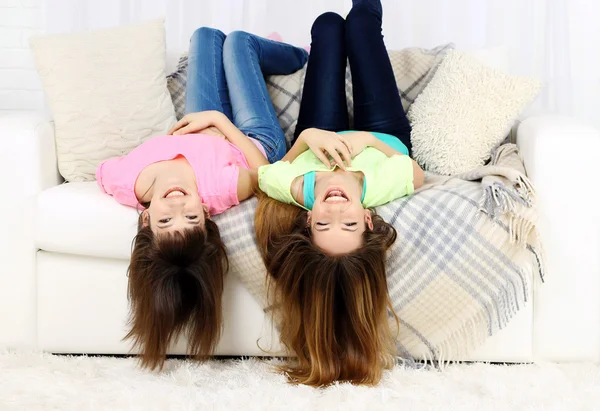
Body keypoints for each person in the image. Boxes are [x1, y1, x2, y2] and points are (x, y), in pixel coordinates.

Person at [96, 28, 308, 370]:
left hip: (195, 125)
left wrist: (203, 125)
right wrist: (220, 123)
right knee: (240, 42)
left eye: (166, 220)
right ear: (206, 215)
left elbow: (102, 169)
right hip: (251, 138)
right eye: (191, 219)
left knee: (205, 36)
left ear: (146, 218)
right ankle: (300, 55)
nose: (179, 206)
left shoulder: (127, 183)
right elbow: (266, 174)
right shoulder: (217, 190)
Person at [255, 0, 424, 386]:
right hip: (382, 133)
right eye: (347, 223)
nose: (333, 208)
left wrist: (306, 140)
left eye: (323, 222)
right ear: (366, 219)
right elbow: (414, 173)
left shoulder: (302, 190)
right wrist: (367, 138)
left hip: (320, 132)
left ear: (308, 218)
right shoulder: (377, 187)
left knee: (328, 25)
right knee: (362, 24)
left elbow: (267, 175)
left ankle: (322, 44)